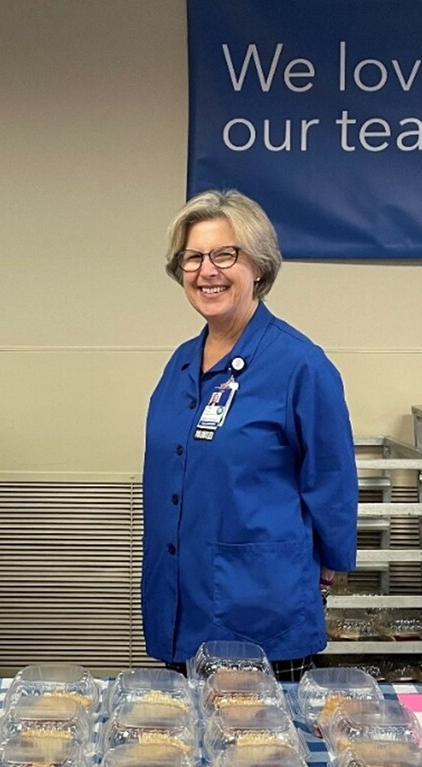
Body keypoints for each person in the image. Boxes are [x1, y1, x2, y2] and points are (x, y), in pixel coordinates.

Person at [141, 189, 358, 682]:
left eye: (224, 255)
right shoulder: (180, 364)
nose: (206, 271)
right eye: (193, 257)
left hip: (262, 611)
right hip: (179, 602)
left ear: (258, 265)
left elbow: (332, 478)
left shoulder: (300, 364)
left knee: (262, 734)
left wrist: (328, 565)